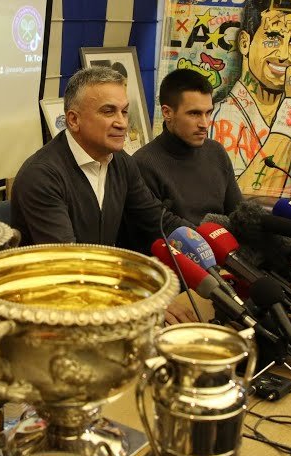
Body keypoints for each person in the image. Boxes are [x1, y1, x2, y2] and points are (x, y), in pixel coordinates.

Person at [11, 65, 199, 323]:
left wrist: (206, 247)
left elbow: (158, 221)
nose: (122, 123)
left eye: (124, 111)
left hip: (101, 296)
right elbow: (70, 263)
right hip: (49, 310)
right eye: (108, 111)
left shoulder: (121, 162)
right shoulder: (41, 176)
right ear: (73, 120)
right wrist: (142, 299)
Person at [210, 0, 291, 197]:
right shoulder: (223, 117)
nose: (284, 54)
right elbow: (241, 200)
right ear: (245, 43)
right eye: (273, 38)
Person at [133, 67, 242, 225]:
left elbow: (239, 216)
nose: (204, 124)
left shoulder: (216, 152)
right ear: (167, 113)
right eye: (194, 114)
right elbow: (154, 229)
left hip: (225, 240)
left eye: (208, 113)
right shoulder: (143, 164)